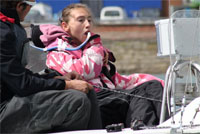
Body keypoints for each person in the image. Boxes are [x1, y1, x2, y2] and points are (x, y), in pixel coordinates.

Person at [31, 3, 169, 128]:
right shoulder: (56, 52)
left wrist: (148, 80)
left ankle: (168, 125)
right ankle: (143, 129)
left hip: (109, 95)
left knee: (153, 85)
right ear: (65, 26)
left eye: (89, 20)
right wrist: (96, 45)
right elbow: (84, 70)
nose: (88, 25)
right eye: (81, 20)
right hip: (93, 100)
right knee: (137, 97)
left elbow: (115, 80)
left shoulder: (88, 49)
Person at [0, 0, 102, 133]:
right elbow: (22, 84)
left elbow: (20, 74)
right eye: (30, 7)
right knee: (77, 100)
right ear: (20, 6)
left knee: (87, 90)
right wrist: (66, 85)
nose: (30, 10)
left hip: (14, 97)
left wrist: (56, 77)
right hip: (4, 109)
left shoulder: (10, 26)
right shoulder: (2, 33)